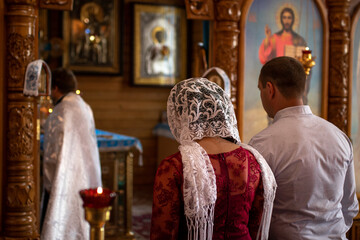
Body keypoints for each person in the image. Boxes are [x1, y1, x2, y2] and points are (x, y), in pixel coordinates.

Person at [150, 78, 277, 239]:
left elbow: (163, 232)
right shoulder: (253, 160)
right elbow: (256, 225)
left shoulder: (174, 166)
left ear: (181, 115)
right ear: (224, 112)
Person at [249, 56, 359, 239]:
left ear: (270, 89)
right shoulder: (339, 137)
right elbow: (350, 207)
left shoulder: (262, 144)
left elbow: (256, 213)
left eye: (260, 89)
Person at [41, 68, 102, 239]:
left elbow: (52, 153)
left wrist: (48, 182)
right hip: (85, 174)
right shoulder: (84, 106)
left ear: (55, 88)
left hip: (64, 174)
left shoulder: (60, 111)